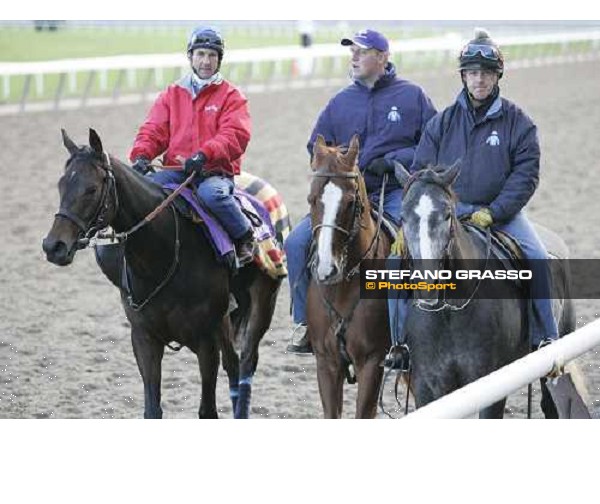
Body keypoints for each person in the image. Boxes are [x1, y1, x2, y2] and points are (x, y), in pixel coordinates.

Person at [387, 27, 559, 371]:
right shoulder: (441, 123)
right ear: (464, 76)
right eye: (473, 73)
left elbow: (525, 176)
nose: (479, 80)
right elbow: (421, 173)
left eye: (487, 73)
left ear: (497, 77)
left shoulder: (519, 123)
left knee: (537, 256)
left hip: (500, 215)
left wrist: (494, 212)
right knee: (395, 265)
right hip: (447, 214)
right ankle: (400, 346)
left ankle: (545, 338)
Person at [285, 29, 437, 354]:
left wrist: (393, 160)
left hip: (394, 190)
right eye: (351, 51)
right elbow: (316, 144)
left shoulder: (413, 96)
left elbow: (432, 144)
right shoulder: (340, 102)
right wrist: (336, 161)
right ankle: (305, 324)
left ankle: (408, 328)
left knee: (403, 252)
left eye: (362, 51)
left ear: (382, 57)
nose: (354, 57)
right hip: (347, 195)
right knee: (296, 242)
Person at [129, 26, 255, 264]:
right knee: (144, 192)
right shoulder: (172, 94)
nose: (206, 61)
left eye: (212, 55)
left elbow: (235, 135)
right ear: (190, 56)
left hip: (213, 173)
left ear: (219, 59)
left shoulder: (232, 96)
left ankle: (244, 237)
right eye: (201, 54)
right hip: (176, 172)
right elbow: (154, 129)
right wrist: (142, 155)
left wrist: (204, 155)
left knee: (212, 196)